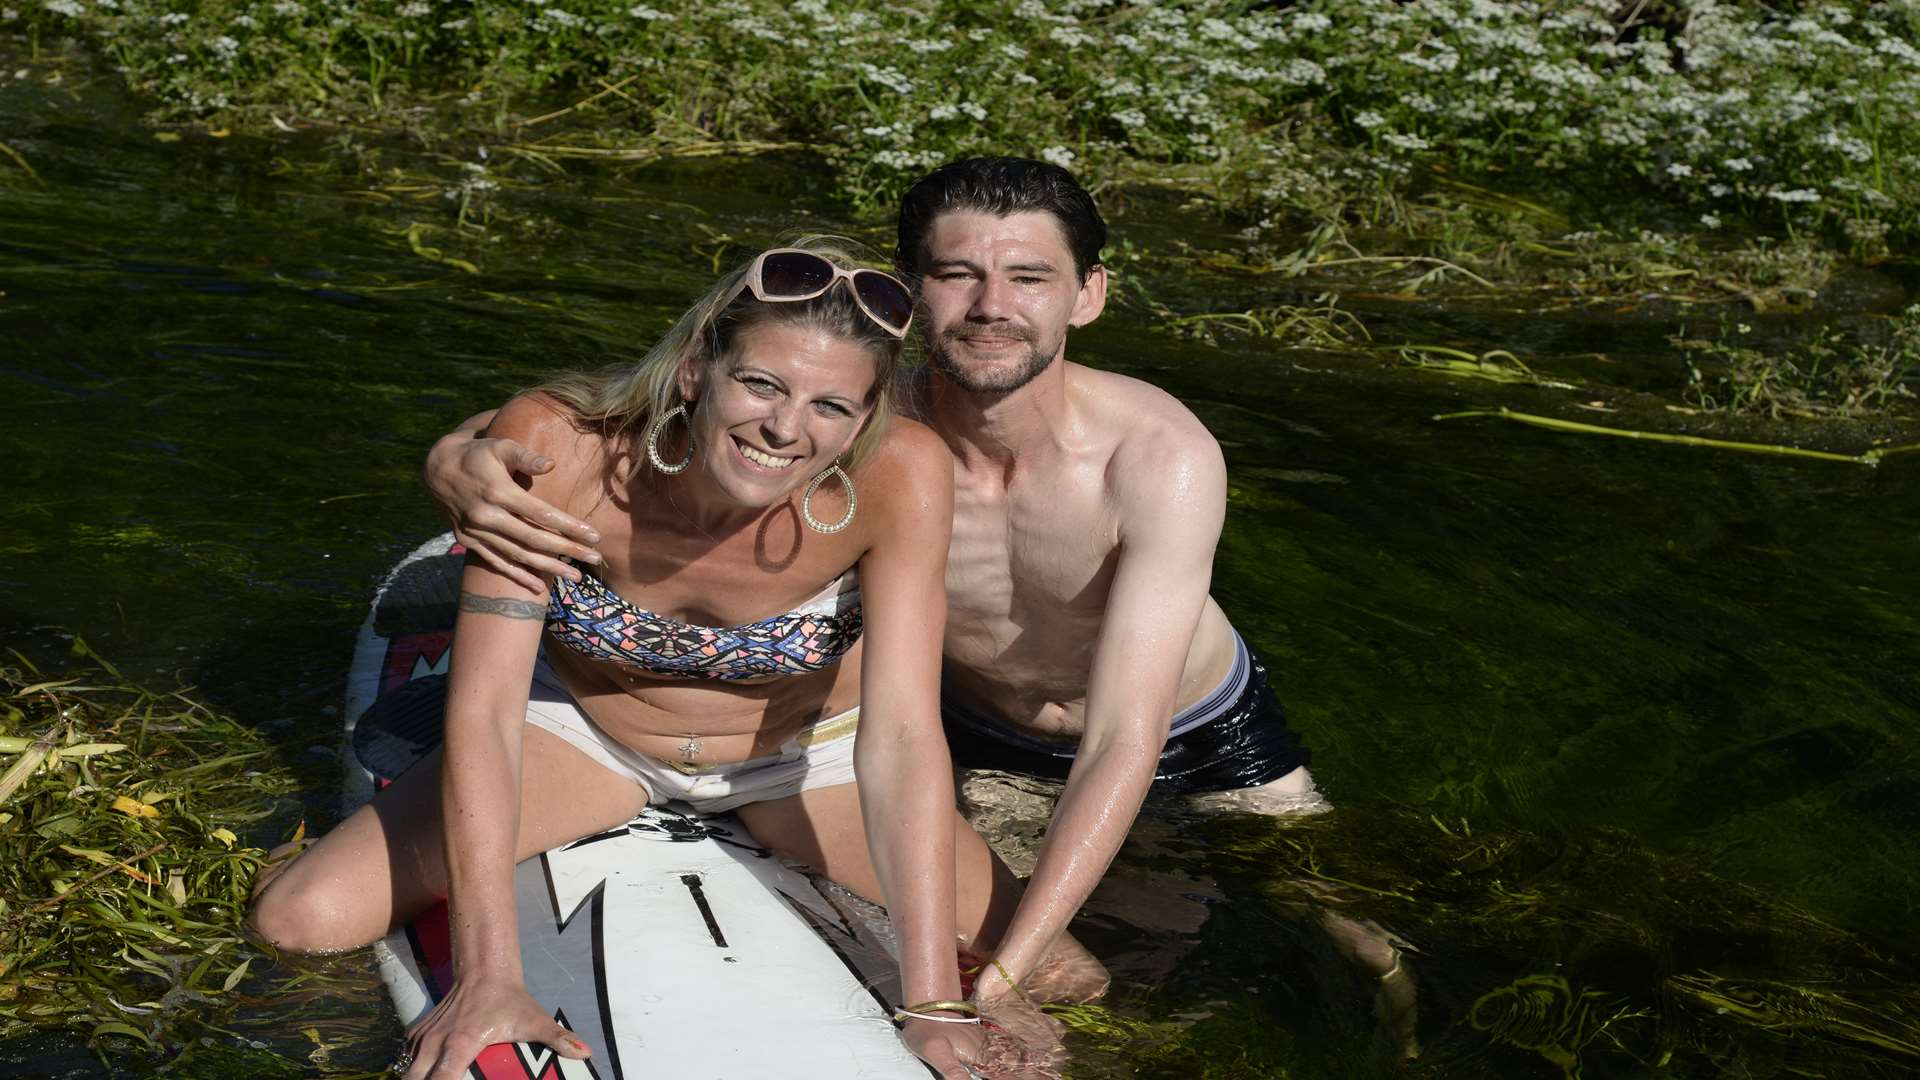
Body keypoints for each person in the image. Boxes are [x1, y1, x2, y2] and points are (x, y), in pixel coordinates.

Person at [425, 159, 1413, 1049]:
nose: (992, 307)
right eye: (956, 277)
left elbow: (1126, 738)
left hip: (1186, 725)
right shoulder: (859, 417)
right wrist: (458, 460)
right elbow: (627, 406)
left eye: (1029, 277)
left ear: (1089, 295)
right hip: (975, 726)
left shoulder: (1162, 457)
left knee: (1346, 931)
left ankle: (1401, 1033)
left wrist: (1005, 986)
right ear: (910, 297)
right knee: (1114, 964)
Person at [248, 239, 997, 1080]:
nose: (787, 428)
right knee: (297, 920)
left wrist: (935, 1005)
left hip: (800, 762)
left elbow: (899, 735)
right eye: (761, 384)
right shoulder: (556, 450)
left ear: (864, 419)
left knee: (1063, 976)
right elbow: (488, 712)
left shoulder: (903, 474)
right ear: (694, 371)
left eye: (832, 406)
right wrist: (491, 976)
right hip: (587, 737)